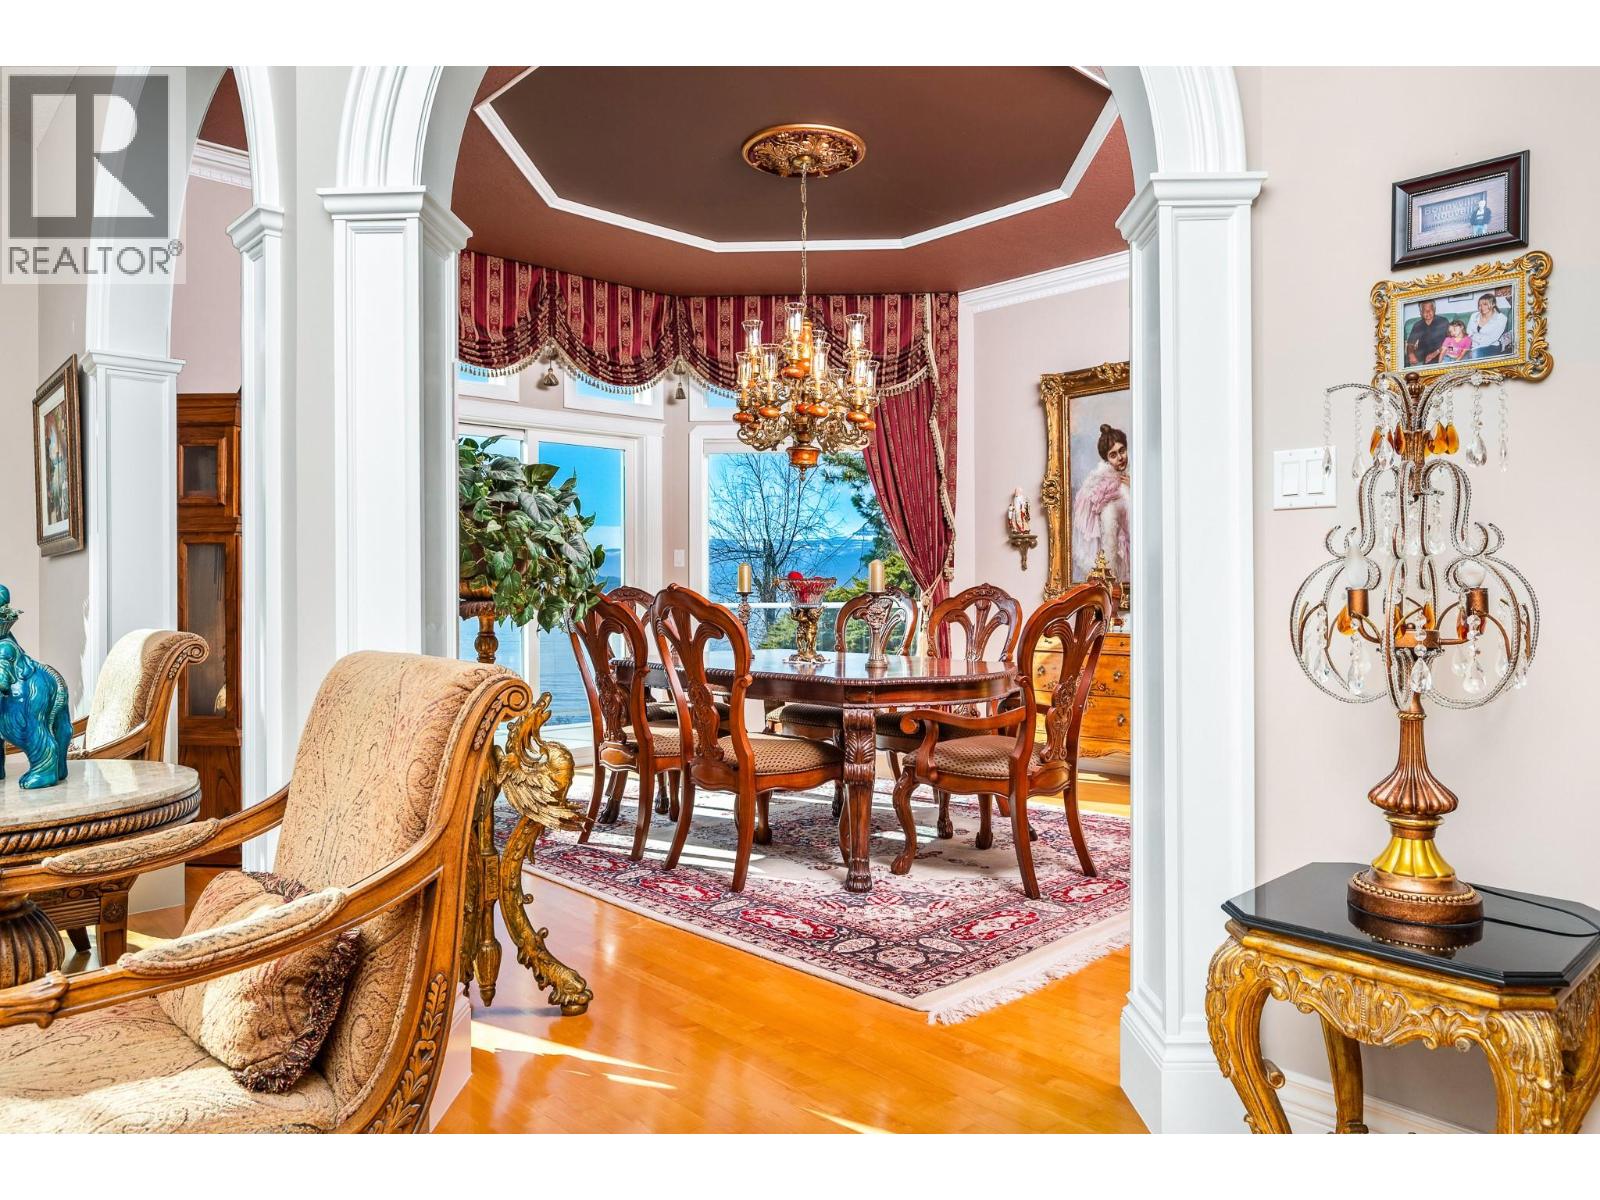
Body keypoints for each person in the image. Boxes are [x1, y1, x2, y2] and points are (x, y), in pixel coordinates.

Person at [1072, 423, 1130, 584]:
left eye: (1122, 451)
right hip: (1113, 544)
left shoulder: (1132, 475)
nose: (1120, 458)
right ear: (1106, 459)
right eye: (1113, 455)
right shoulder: (1106, 480)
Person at [1404, 299, 1450, 366]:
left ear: (1434, 310)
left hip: (1439, 353)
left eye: (1430, 309)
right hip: (1421, 355)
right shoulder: (1417, 325)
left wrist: (1434, 354)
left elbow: (1450, 343)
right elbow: (1410, 344)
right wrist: (1411, 354)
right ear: (1421, 312)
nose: (1428, 312)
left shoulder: (1443, 321)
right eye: (1424, 310)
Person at [1467, 292, 1509, 360]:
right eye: (1480, 305)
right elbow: (1469, 333)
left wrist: (1474, 348)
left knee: (1475, 354)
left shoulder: (1502, 318)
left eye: (1485, 304)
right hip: (1473, 345)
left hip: (1492, 346)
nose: (1482, 307)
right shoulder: (1474, 316)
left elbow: (1492, 338)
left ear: (1493, 304)